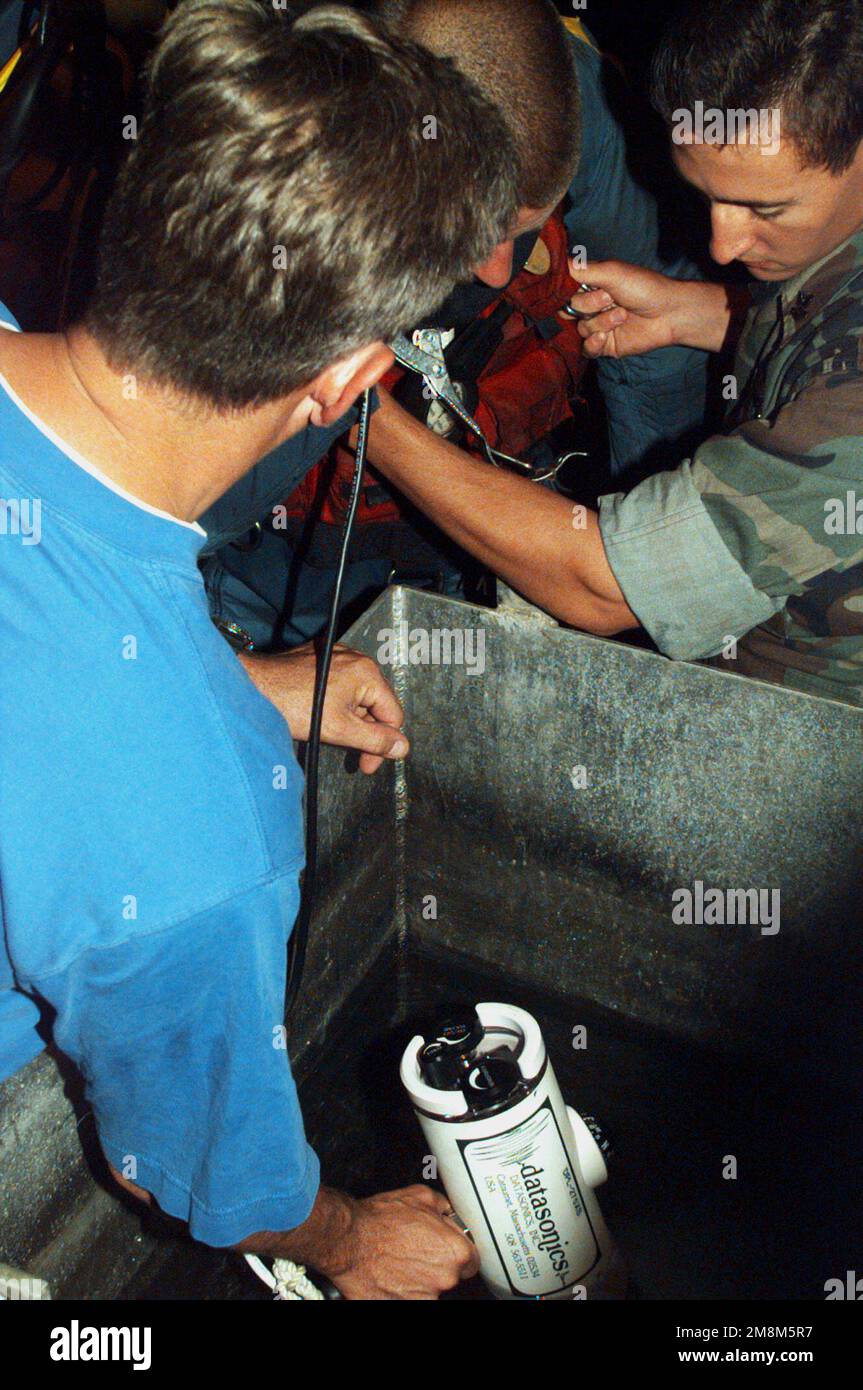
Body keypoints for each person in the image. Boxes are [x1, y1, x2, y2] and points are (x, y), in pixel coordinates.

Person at [0, 0, 520, 1297]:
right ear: (346, 384)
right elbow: (183, 1167)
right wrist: (349, 1238)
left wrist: (241, 680)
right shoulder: (194, 835)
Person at [357, 0, 863, 708]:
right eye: (706, 197)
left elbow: (603, 586)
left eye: (764, 210)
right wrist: (706, 313)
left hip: (813, 725)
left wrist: (363, 420)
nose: (721, 247)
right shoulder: (825, 232)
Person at [202, 0, 715, 653]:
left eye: (523, 225)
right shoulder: (260, 140)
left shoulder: (570, 100)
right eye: (473, 232)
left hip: (495, 504)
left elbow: (657, 365)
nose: (498, 271)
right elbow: (161, 504)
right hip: (279, 558)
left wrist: (625, 509)